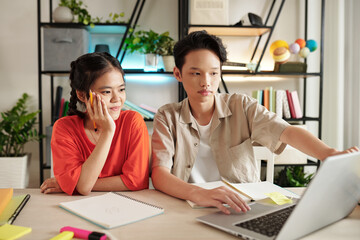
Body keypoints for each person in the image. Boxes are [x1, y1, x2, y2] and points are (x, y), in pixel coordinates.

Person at [150, 30, 359, 214]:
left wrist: (329, 154)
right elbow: (159, 173)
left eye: (214, 73)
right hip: (187, 208)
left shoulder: (241, 105)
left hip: (241, 209)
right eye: (196, 73)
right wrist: (197, 193)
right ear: (178, 73)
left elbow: (286, 132)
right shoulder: (167, 116)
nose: (206, 82)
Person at [40, 52, 149, 195]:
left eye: (121, 89)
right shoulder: (64, 128)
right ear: (82, 95)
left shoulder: (133, 121)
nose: (117, 99)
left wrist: (74, 183)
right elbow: (84, 188)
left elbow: (136, 181)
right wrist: (108, 131)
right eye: (106, 92)